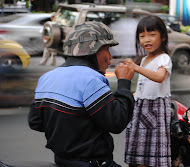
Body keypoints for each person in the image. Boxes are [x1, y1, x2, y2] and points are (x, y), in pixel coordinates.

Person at [28, 22, 135, 167]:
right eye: (107, 50)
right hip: (93, 162)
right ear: (92, 50)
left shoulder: (46, 78)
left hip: (61, 160)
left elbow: (35, 122)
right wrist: (124, 83)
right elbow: (116, 122)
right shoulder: (91, 80)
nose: (110, 57)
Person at [124, 15, 172, 167]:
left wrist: (136, 67)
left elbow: (159, 77)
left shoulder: (164, 58)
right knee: (140, 151)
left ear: (163, 37)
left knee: (153, 152)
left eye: (152, 34)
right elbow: (142, 85)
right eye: (142, 36)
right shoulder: (145, 60)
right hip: (141, 107)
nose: (147, 40)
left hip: (156, 108)